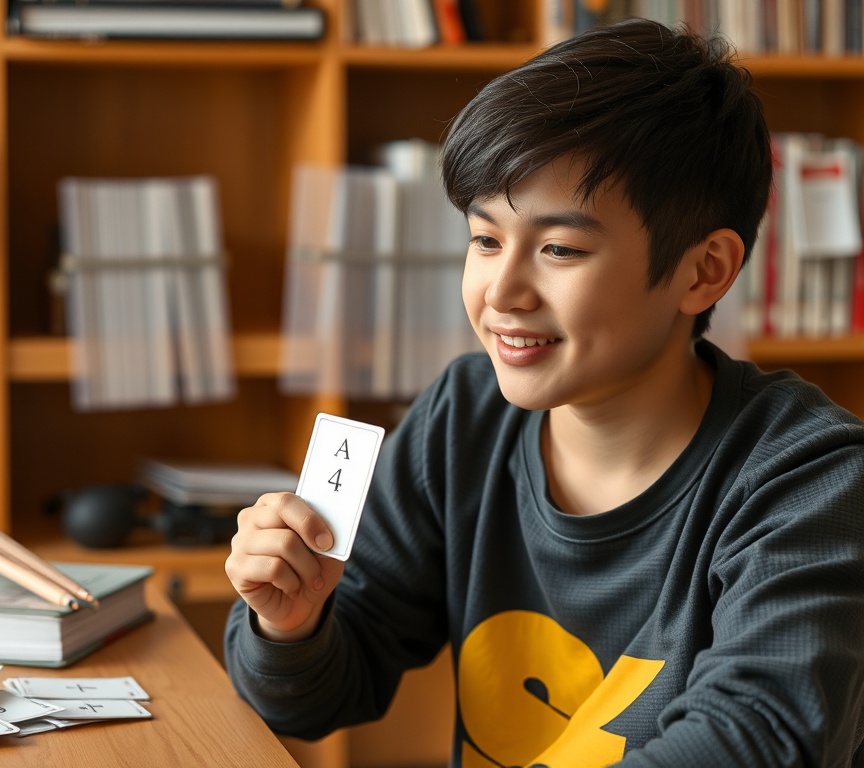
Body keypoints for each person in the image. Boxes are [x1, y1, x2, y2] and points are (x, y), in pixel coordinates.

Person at [223, 17, 864, 767]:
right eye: (485, 239)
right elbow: (319, 696)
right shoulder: (464, 417)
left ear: (704, 271)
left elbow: (756, 738)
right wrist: (291, 623)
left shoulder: (812, 479)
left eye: (559, 249)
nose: (502, 290)